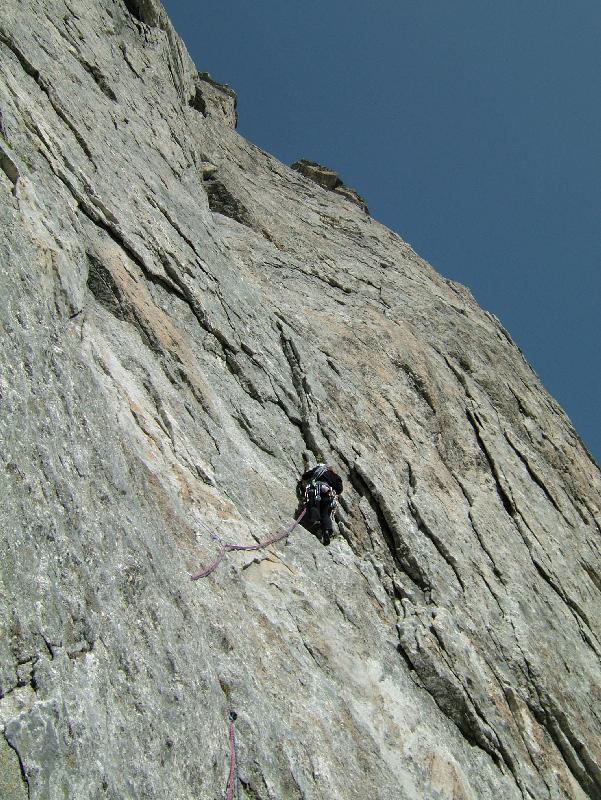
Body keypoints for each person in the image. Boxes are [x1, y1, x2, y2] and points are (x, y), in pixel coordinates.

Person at [297, 464, 343, 546]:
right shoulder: (337, 478)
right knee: (325, 513)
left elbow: (307, 475)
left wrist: (303, 478)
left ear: (328, 468)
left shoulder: (321, 470)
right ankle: (326, 530)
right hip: (328, 495)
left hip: (316, 490)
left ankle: (316, 521)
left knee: (314, 505)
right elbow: (339, 490)